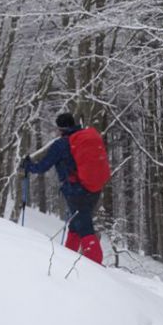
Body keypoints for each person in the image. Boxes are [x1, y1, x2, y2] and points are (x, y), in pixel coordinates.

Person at [23, 112, 105, 264]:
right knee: (75, 224)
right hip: (93, 188)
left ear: (60, 128)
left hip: (76, 191)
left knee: (85, 227)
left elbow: (42, 167)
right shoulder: (83, 138)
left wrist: (28, 166)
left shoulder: (60, 145)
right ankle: (67, 258)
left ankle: (97, 266)